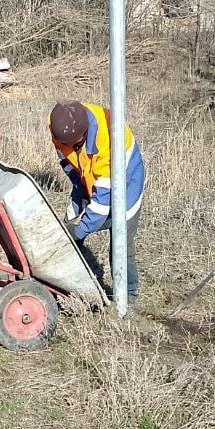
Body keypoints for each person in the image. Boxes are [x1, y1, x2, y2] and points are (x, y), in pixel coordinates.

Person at [48, 101, 145, 301]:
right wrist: (79, 190)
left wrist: (80, 230)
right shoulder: (58, 126)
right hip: (87, 178)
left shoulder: (109, 140)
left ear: (83, 136)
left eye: (72, 143)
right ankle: (66, 281)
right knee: (67, 231)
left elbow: (102, 204)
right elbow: (66, 161)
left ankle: (128, 294)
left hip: (126, 186)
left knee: (120, 244)